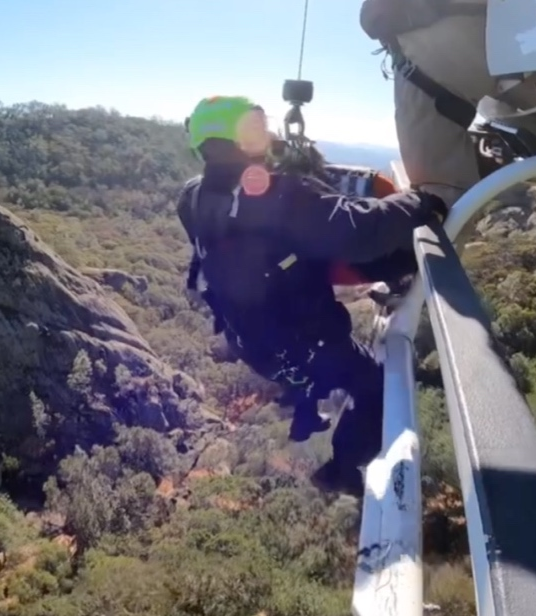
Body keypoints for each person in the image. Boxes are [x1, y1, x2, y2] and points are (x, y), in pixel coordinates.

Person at [176, 95, 447, 496]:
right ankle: (341, 469)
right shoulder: (279, 197)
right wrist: (419, 201)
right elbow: (360, 232)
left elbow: (256, 239)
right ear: (244, 136)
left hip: (251, 343)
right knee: (376, 388)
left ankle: (310, 406)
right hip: (309, 346)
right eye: (258, 127)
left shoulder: (192, 197)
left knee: (301, 267)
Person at [359, 0, 498, 242]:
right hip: (529, 31)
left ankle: (446, 252)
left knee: (437, 192)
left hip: (457, 38)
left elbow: (374, 17)